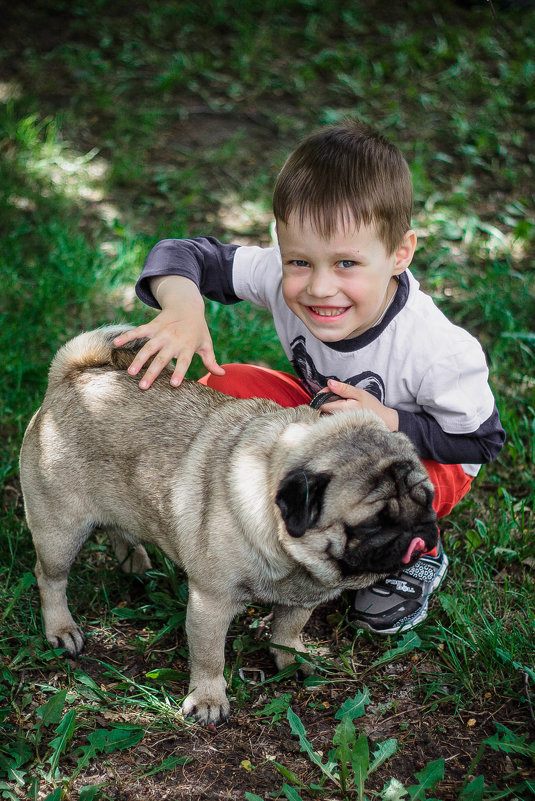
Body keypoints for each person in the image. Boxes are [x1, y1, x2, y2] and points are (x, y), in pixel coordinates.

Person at [114, 118, 505, 635]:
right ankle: (279, 516)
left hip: (427, 453)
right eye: (299, 261)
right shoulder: (283, 274)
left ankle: (416, 547)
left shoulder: (439, 351)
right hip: (327, 412)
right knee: (226, 384)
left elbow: (482, 441)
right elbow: (181, 252)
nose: (320, 287)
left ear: (400, 254)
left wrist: (389, 420)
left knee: (398, 484)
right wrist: (184, 307)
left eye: (346, 263)